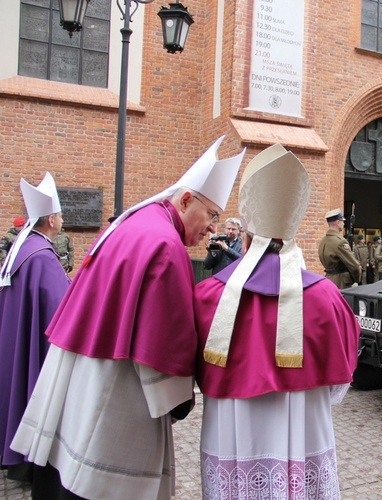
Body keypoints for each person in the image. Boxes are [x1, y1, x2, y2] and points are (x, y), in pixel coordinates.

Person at [11, 136, 244, 499]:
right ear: (185, 200)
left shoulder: (136, 223)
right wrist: (179, 400)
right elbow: (165, 340)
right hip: (114, 387)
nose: (213, 228)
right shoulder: (165, 245)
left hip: (77, 371)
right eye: (212, 215)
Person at [194, 144, 360, 499]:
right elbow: (339, 384)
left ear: (248, 235)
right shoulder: (328, 298)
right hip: (304, 432)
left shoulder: (207, 296)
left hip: (231, 434)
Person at [0, 173, 70, 483]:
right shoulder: (42, 257)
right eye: (60, 214)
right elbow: (60, 309)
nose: (62, 219)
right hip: (36, 347)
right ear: (52, 219)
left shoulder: (24, 247)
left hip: (14, 341)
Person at [317, 208, 361, 289]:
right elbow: (355, 266)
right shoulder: (340, 242)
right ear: (337, 222)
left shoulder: (323, 241)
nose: (344, 224)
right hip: (341, 282)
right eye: (342, 221)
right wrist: (356, 280)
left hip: (328, 280)